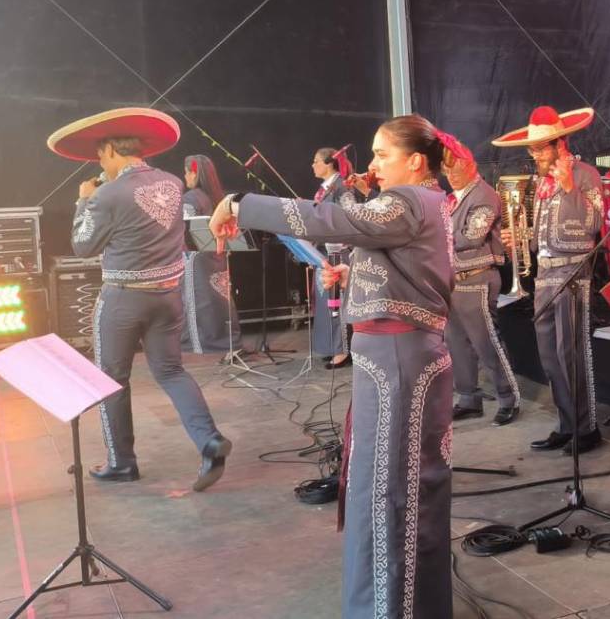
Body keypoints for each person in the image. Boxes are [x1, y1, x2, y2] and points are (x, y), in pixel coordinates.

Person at [209, 114, 454, 618]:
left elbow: (344, 221)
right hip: (393, 358)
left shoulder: (408, 200)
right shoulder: (423, 202)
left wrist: (242, 203)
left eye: (383, 154)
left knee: (392, 490)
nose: (374, 165)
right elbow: (398, 259)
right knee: (386, 484)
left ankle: (392, 610)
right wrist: (354, 270)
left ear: (415, 160)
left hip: (398, 359)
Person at [47, 108, 231, 491]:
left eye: (101, 157)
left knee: (111, 380)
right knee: (171, 371)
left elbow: (83, 246)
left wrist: (84, 201)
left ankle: (122, 462)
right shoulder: (169, 183)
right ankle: (209, 439)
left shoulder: (108, 194)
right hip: (167, 295)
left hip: (123, 301)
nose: (100, 164)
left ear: (112, 150)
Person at [494, 106, 605, 455]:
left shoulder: (585, 175)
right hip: (544, 275)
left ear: (561, 143)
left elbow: (593, 226)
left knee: (571, 353)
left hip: (573, 275)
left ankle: (587, 428)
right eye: (533, 148)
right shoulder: (541, 185)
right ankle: (567, 423)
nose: (536, 154)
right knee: (549, 356)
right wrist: (521, 239)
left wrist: (571, 189)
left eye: (542, 147)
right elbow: (546, 233)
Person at [440, 133, 520, 425]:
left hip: (478, 277)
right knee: (456, 343)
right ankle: (469, 398)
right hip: (455, 280)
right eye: (446, 170)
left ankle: (508, 398)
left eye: (455, 169)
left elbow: (472, 236)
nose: (450, 175)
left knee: (487, 343)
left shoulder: (484, 195)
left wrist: (435, 235)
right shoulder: (454, 198)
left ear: (470, 165)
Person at [180, 154, 240, 354]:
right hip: (216, 254)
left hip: (195, 257)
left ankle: (200, 342)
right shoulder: (217, 197)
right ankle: (226, 339)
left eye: (187, 172)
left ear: (195, 174)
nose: (185, 176)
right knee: (219, 297)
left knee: (197, 299)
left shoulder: (190, 198)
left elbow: (184, 228)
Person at [311, 146, 355, 367]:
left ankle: (343, 350)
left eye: (316, 161)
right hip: (325, 251)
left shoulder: (342, 188)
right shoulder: (325, 190)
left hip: (338, 252)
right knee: (325, 302)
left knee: (337, 303)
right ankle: (331, 345)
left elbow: (351, 216)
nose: (313, 165)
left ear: (329, 163)